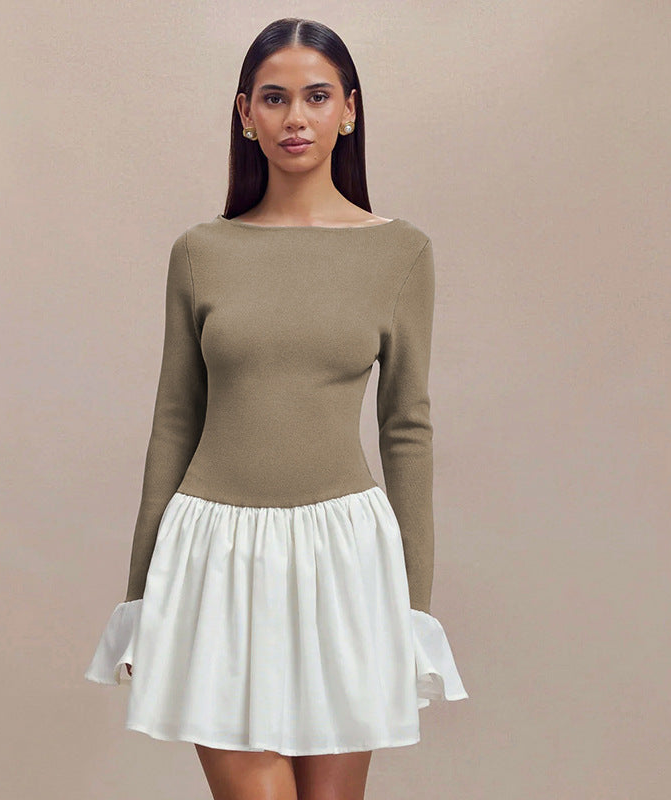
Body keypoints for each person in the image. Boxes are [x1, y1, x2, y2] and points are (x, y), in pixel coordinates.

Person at [85, 17, 468, 800]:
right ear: (245, 114)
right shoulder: (201, 253)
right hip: (214, 556)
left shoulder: (401, 253)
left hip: (345, 560)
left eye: (317, 97)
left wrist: (412, 610)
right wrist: (140, 598)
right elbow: (174, 420)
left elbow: (407, 430)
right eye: (275, 98)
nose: (296, 118)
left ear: (349, 110)